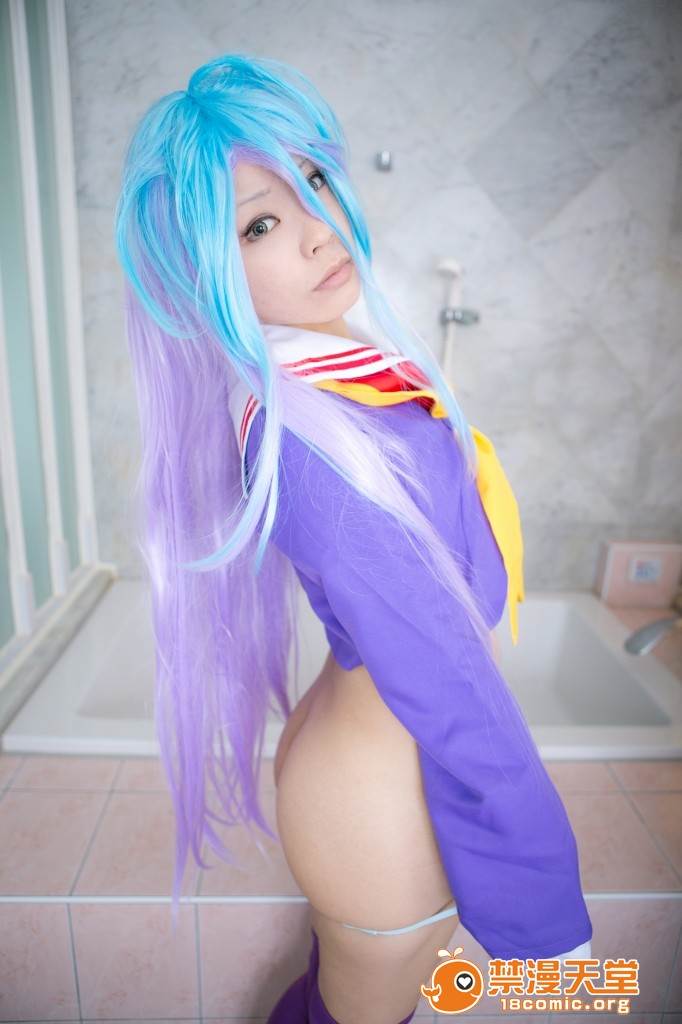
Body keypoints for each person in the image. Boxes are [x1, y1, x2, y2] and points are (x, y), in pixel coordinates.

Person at [114, 52, 593, 1024]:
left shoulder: (330, 371)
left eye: (314, 181)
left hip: (372, 754)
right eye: (259, 224)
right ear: (203, 272)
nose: (319, 228)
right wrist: (548, 921)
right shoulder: (311, 445)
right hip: (378, 797)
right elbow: (446, 681)